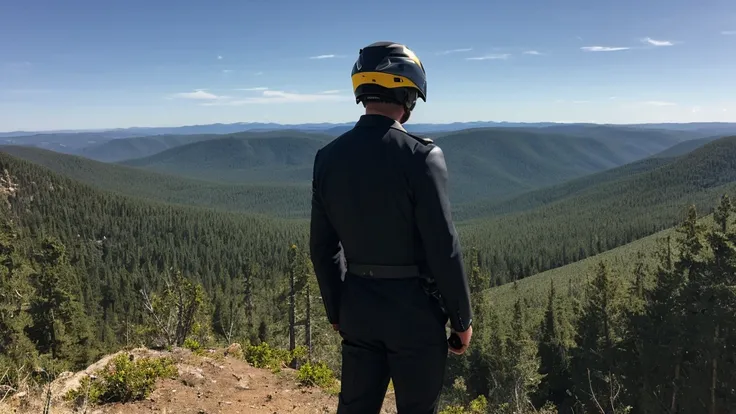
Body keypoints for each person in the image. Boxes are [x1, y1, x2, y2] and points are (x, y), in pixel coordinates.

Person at [309, 41, 473, 414]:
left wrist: (337, 310)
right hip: (414, 314)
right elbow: (443, 246)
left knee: (355, 407)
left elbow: (322, 247)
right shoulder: (421, 156)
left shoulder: (327, 158)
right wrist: (461, 318)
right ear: (406, 94)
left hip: (358, 308)